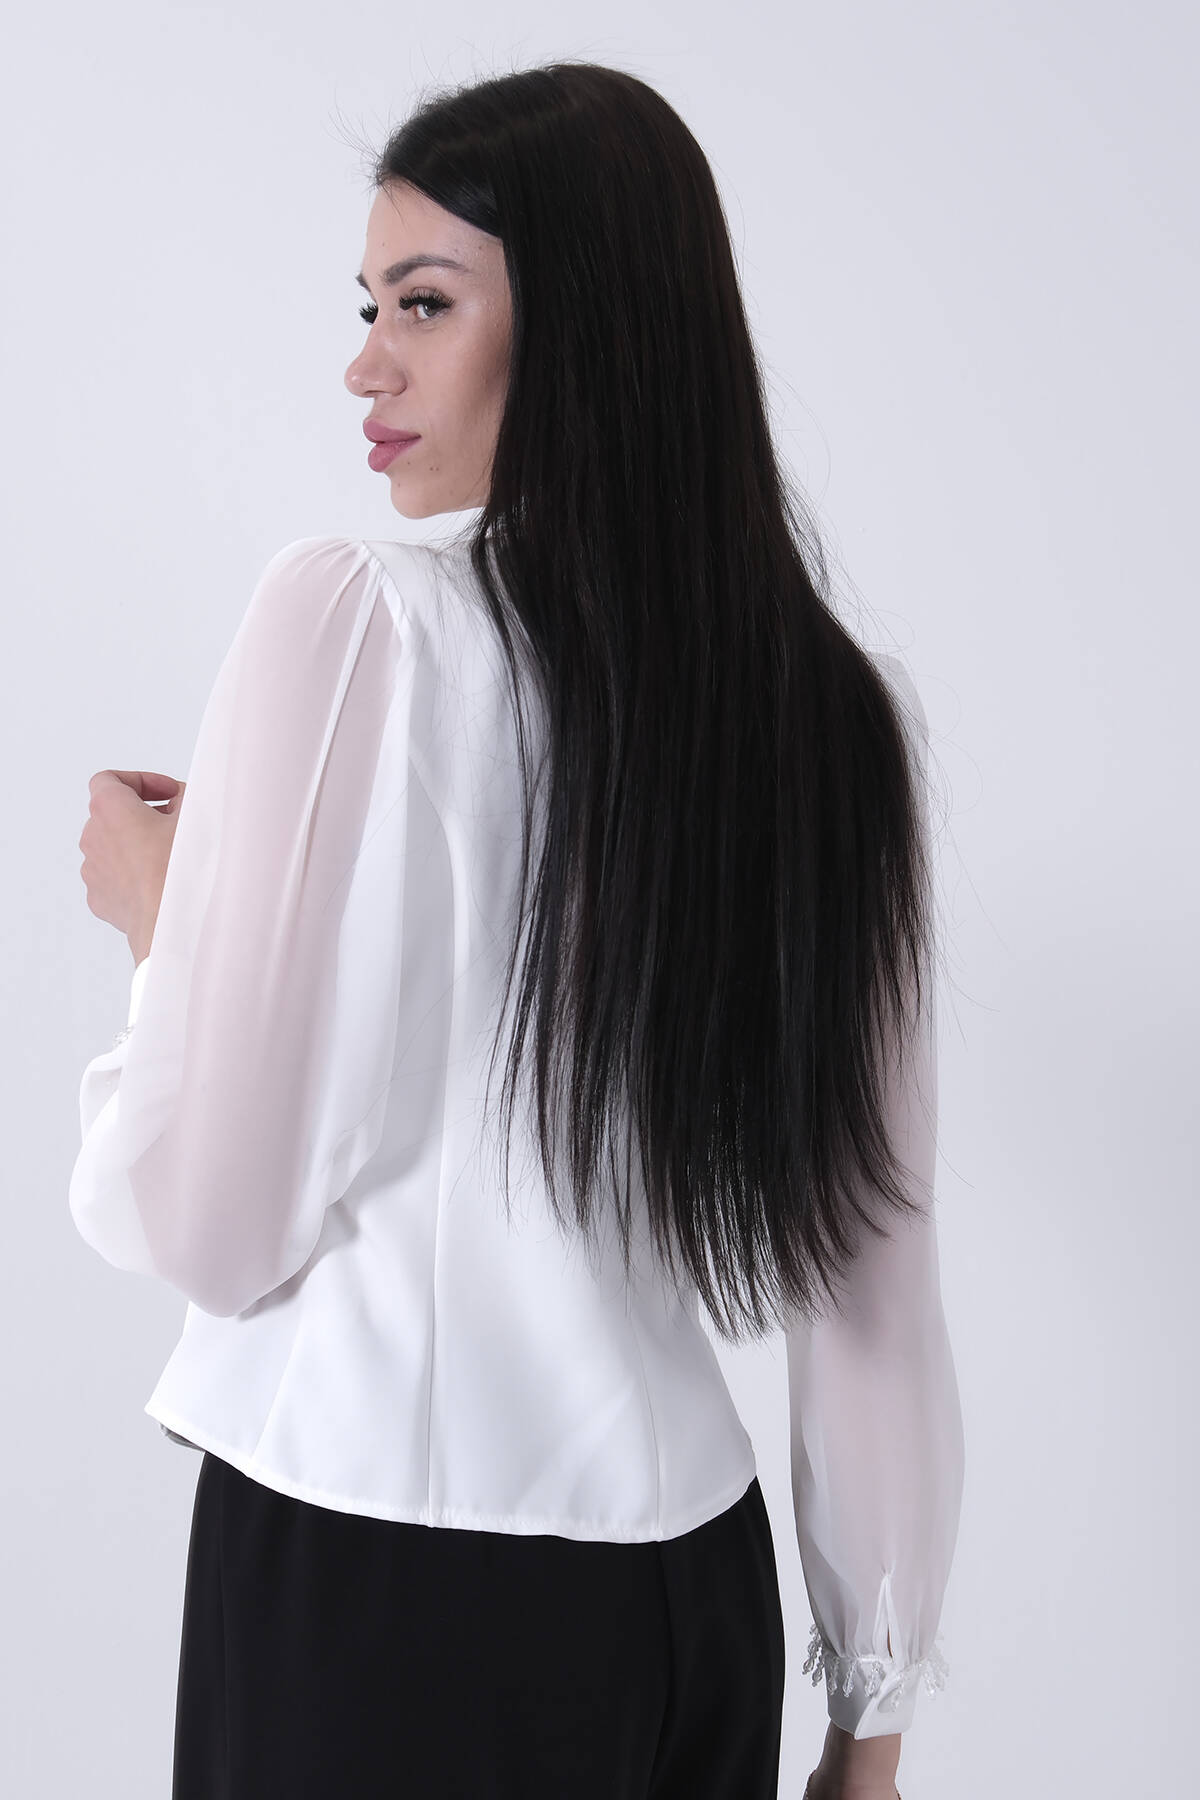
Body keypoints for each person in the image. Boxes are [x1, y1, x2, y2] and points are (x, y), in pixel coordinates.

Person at [71, 60, 964, 1800]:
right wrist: (869, 1736)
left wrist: (166, 932)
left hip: (385, 1594)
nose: (366, 365)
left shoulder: (353, 621)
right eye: (369, 308)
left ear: (589, 325)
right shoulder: (825, 712)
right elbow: (875, 1278)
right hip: (689, 1597)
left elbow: (212, 1225)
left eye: (424, 303)